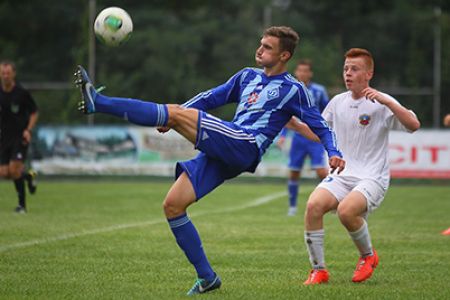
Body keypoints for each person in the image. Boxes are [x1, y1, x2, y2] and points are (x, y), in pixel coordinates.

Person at [74, 26, 346, 295]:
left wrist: (334, 151)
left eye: (267, 47)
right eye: (260, 44)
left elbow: (320, 125)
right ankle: (207, 278)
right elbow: (211, 97)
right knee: (173, 205)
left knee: (174, 114)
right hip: (228, 149)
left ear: (285, 56)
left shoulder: (293, 89)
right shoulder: (246, 76)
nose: (260, 50)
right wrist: (178, 114)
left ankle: (98, 101)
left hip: (245, 143)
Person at [302, 48, 420, 285]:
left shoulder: (381, 102)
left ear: (369, 73)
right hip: (342, 175)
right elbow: (319, 134)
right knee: (313, 206)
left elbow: (413, 124)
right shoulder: (338, 102)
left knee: (347, 211)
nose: (348, 73)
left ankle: (368, 256)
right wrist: (292, 123)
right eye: (346, 68)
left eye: (354, 69)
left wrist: (387, 100)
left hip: (372, 177)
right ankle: (319, 270)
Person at [277, 59, 329, 216]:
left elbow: (327, 111)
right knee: (293, 172)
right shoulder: (291, 90)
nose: (303, 73)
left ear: (310, 73)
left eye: (306, 71)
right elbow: (286, 115)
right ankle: (292, 207)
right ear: (296, 72)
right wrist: (283, 135)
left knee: (321, 171)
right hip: (298, 137)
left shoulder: (319, 91)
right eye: (300, 70)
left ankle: (331, 202)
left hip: (314, 137)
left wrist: (326, 130)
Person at [0, 61, 38, 214]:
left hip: (19, 137)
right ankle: (28, 176)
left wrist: (28, 130)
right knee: (4, 173)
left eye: (8, 73)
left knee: (14, 171)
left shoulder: (21, 93)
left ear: (13, 74)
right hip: (3, 138)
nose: (5, 76)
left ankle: (22, 206)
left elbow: (34, 112)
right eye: (3, 73)